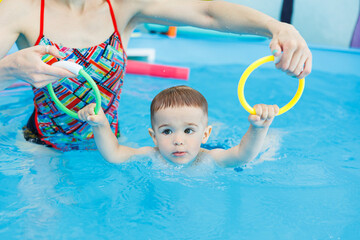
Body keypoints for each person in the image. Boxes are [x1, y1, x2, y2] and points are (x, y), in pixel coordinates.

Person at [0, 0, 311, 151]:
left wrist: (279, 27)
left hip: (109, 143)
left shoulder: (123, 5)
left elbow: (208, 12)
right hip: (39, 146)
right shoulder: (20, 10)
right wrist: (9, 69)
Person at [77, 85, 279, 167]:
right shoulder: (151, 155)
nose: (178, 140)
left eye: (189, 130)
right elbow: (115, 154)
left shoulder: (209, 159)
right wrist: (101, 124)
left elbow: (242, 156)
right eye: (167, 131)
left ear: (206, 134)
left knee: (268, 147)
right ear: (153, 136)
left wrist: (259, 129)